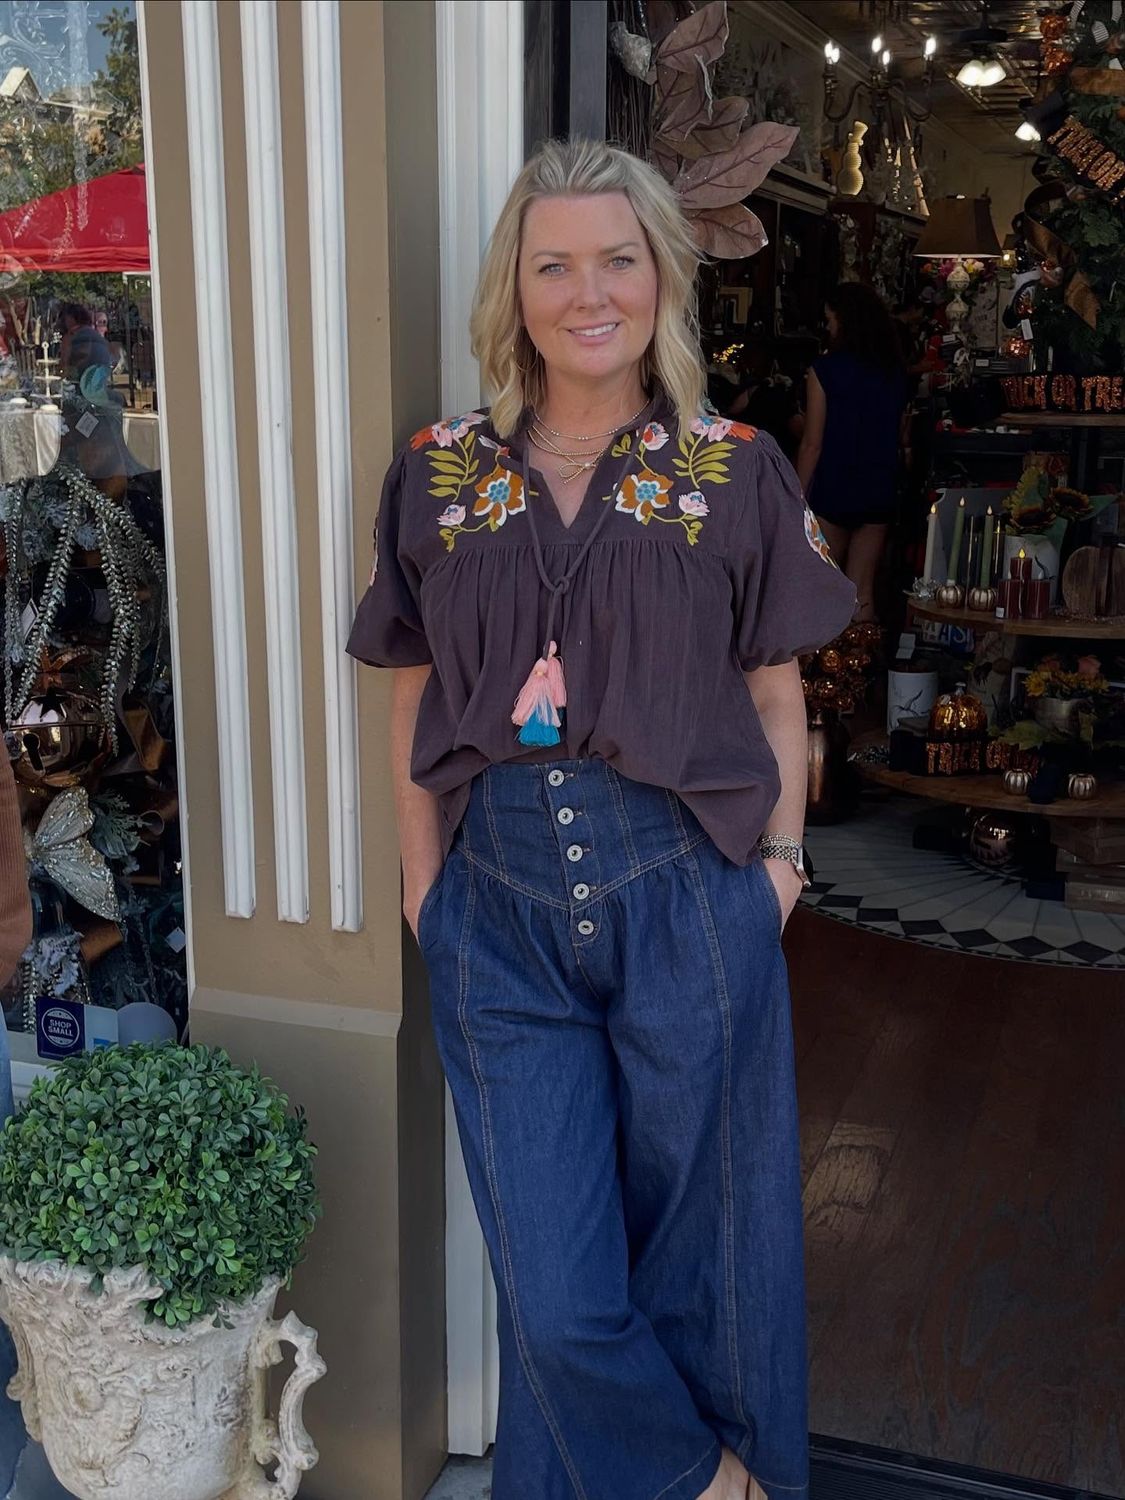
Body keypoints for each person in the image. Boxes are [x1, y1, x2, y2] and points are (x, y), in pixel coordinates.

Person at [348, 139, 854, 1500]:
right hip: (497, 909)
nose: (589, 293)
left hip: (688, 889)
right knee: (559, 1294)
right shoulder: (439, 471)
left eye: (618, 260)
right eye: (555, 263)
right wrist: (423, 889)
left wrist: (780, 868)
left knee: (713, 1263)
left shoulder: (734, 469)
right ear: (514, 290)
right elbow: (411, 690)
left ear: (663, 278)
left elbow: (775, 689)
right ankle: (713, 1484)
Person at [796, 283, 908, 623]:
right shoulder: (893, 371)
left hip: (835, 483)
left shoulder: (824, 371)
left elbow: (812, 443)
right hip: (878, 483)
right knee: (864, 590)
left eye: (830, 320)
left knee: (824, 586)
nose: (828, 327)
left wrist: (795, 495)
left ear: (843, 321)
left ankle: (824, 656)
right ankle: (864, 655)